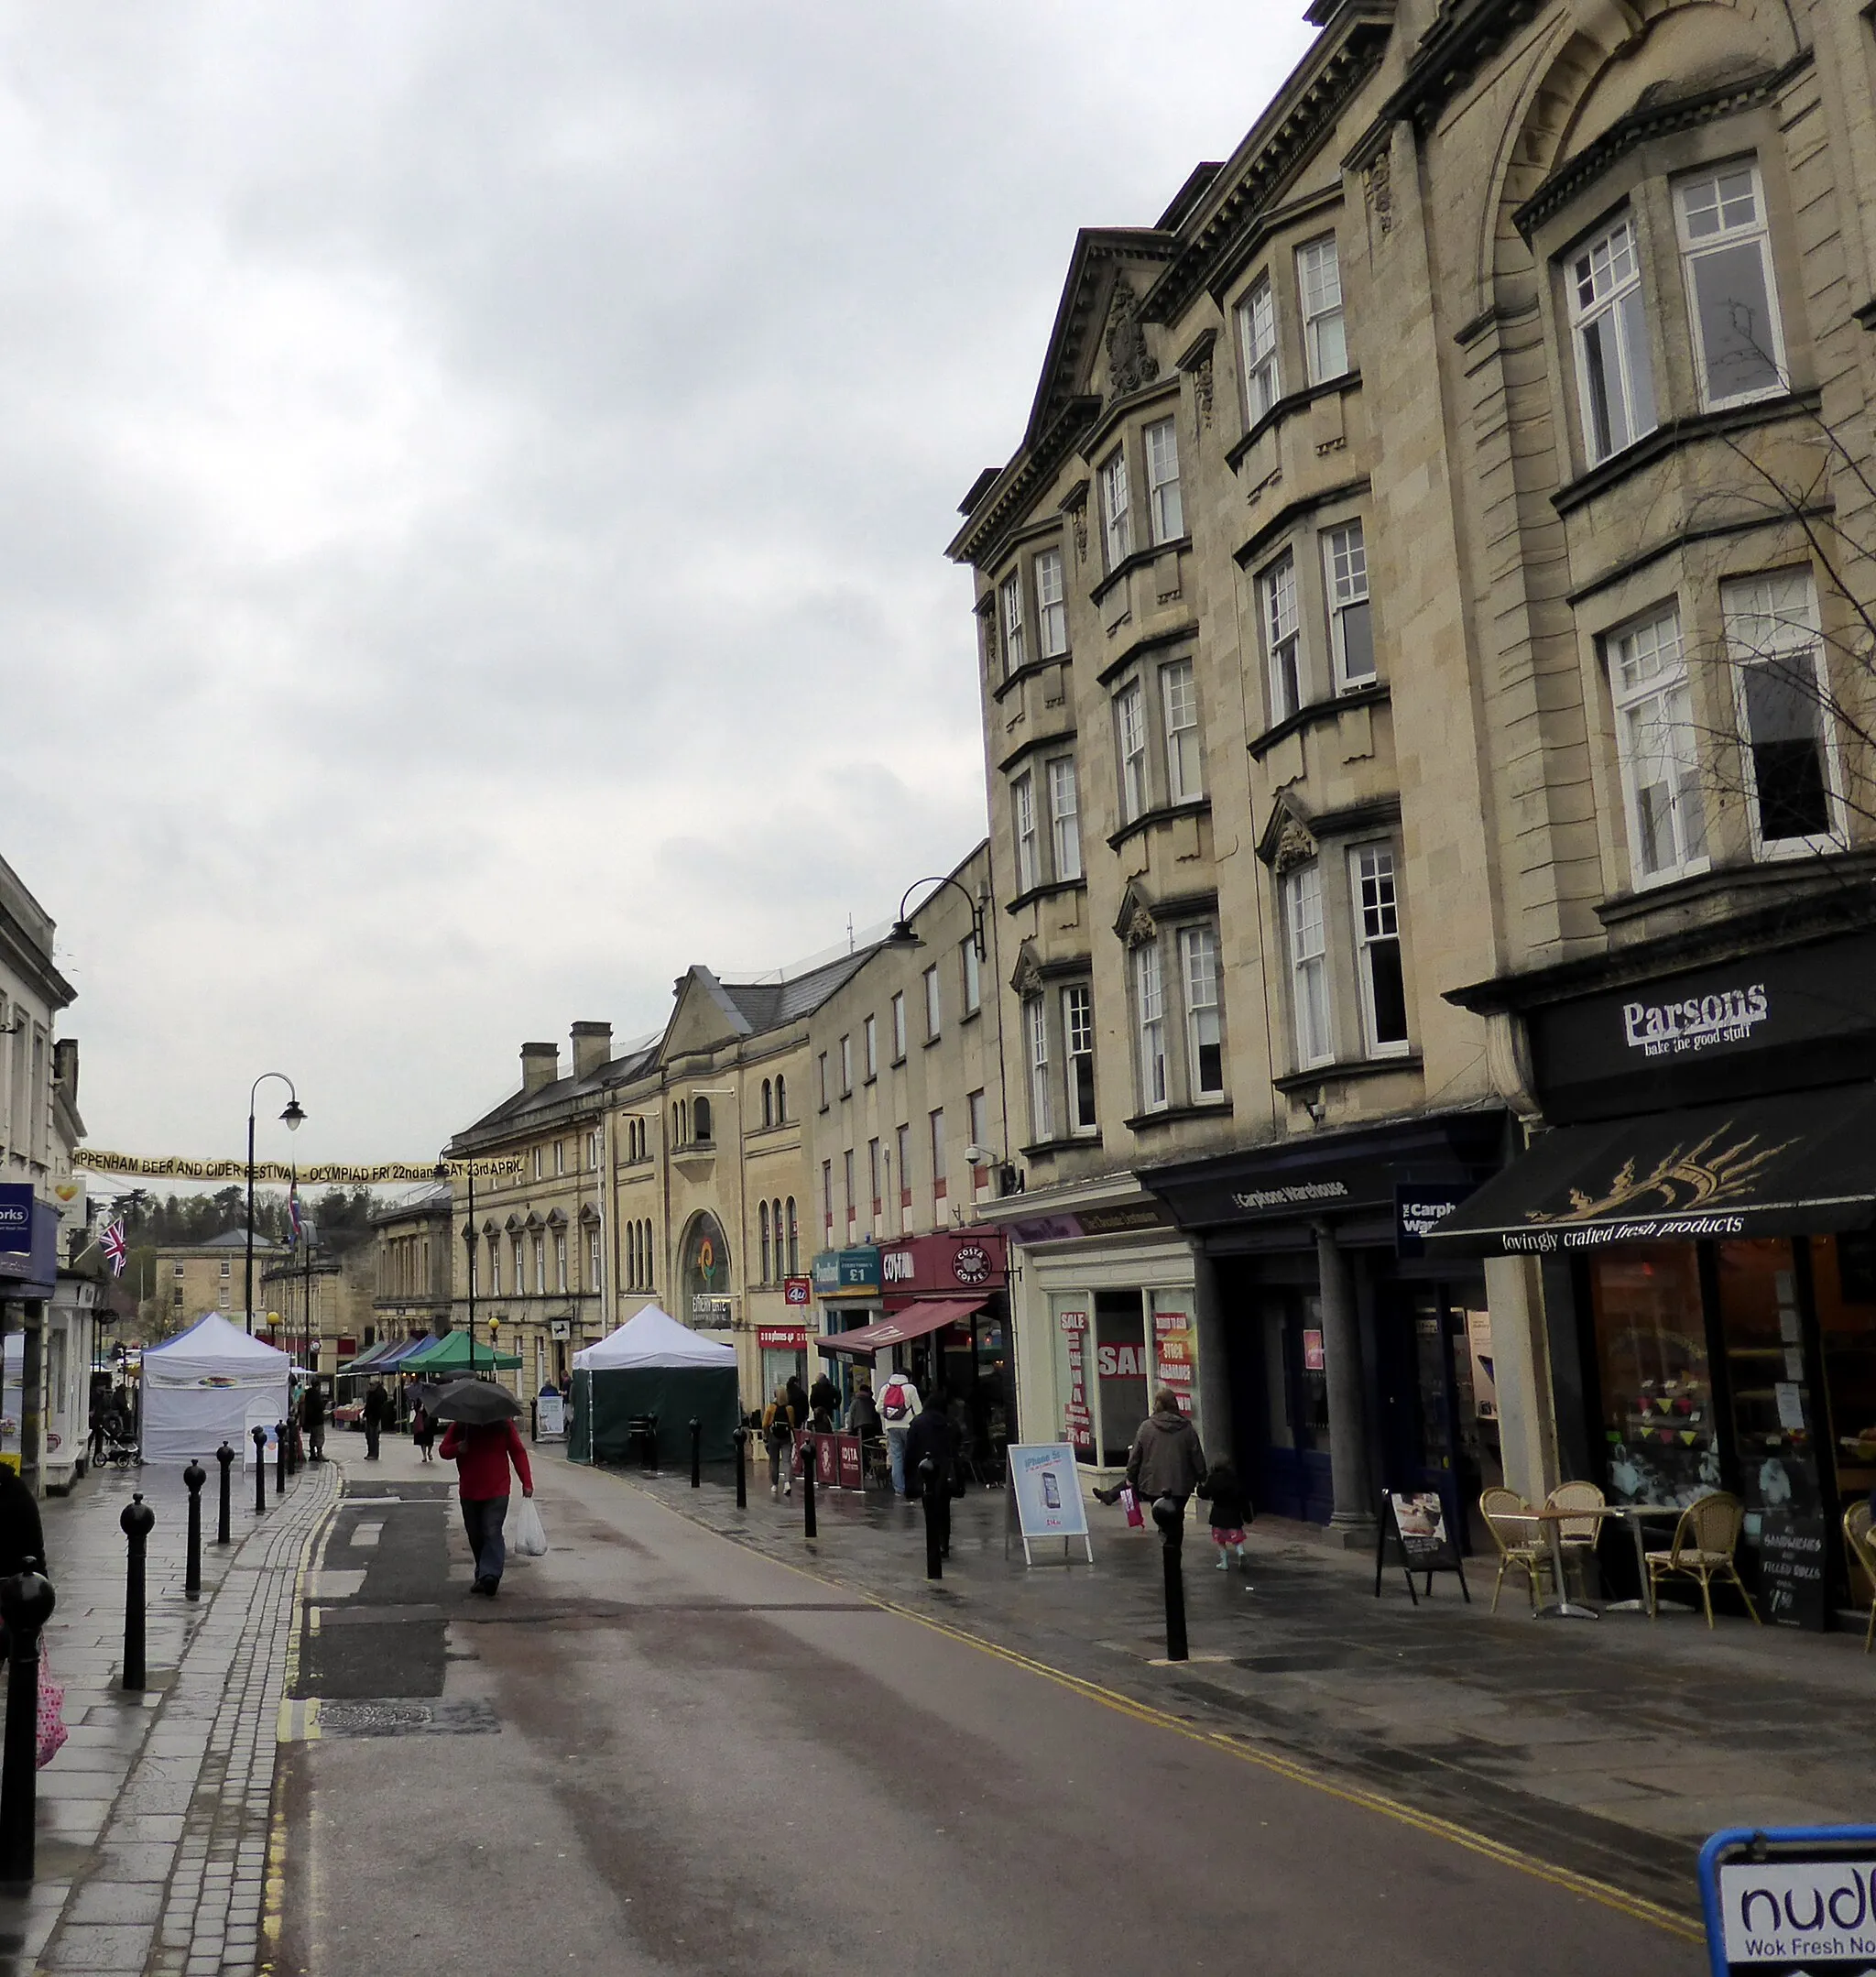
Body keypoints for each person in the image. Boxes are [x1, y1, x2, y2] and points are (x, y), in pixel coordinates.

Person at [438, 1413, 534, 1597]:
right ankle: (482, 1574)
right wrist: (458, 1448)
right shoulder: (461, 1426)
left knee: (491, 1530)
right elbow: (443, 1451)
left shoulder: (503, 1425)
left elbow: (517, 1451)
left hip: (497, 1490)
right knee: (475, 1535)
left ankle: (491, 1575)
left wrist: (526, 1481)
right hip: (469, 1491)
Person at [1120, 1388, 1207, 1527]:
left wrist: (1131, 1476)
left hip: (1153, 1482)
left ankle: (1166, 1539)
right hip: (1181, 1483)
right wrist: (1202, 1477)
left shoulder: (1146, 1427)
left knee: (1161, 1515)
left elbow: (1136, 1455)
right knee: (1177, 1515)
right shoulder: (1186, 1429)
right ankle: (1174, 1542)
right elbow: (1196, 1455)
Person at [904, 1392, 960, 1558]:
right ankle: (944, 1543)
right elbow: (957, 1445)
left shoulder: (918, 1422)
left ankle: (934, 1542)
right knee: (944, 1509)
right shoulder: (949, 1423)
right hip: (945, 1471)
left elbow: (910, 1451)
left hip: (924, 1470)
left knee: (929, 1507)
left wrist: (908, 1478)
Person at [1197, 1456, 1252, 1574]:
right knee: (1237, 1538)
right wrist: (1248, 1516)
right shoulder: (1235, 1479)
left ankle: (1224, 1563)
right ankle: (1241, 1553)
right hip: (1233, 1514)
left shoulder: (1213, 1479)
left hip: (1218, 1514)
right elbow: (1243, 1499)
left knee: (1221, 1540)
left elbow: (1204, 1494)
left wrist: (1199, 1488)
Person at [878, 1366, 921, 1496]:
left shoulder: (885, 1388)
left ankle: (899, 1489)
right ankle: (912, 1485)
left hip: (891, 1427)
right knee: (911, 1456)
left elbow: (879, 1408)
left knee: (896, 1457)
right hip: (908, 1427)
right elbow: (919, 1410)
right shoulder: (910, 1388)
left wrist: (891, 1414)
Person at [763, 1382, 800, 1498]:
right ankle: (787, 1483)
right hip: (786, 1436)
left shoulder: (771, 1408)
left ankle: (774, 1485)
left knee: (774, 1461)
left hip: (773, 1437)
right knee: (786, 1460)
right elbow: (792, 1424)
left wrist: (767, 1435)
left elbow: (764, 1424)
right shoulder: (790, 1409)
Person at [362, 1380, 392, 1461]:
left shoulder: (379, 1394)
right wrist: (365, 1414)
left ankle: (374, 1454)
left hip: (375, 1417)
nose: (370, 1387)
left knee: (373, 1436)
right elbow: (368, 1405)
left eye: (371, 1385)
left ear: (376, 1385)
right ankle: (370, 1452)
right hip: (370, 1417)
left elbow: (377, 1405)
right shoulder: (371, 1393)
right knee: (369, 1436)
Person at [845, 1376, 880, 1440]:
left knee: (861, 1445)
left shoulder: (855, 1401)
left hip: (859, 1428)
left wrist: (850, 1430)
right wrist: (879, 1430)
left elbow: (851, 1416)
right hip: (871, 1427)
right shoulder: (872, 1402)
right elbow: (877, 1416)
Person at [412, 1400, 436, 1464]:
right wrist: (420, 1409)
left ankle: (429, 1452)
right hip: (421, 1421)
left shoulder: (431, 1398)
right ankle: (424, 1456)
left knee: (430, 1439)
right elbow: (416, 1408)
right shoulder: (418, 1399)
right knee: (422, 1440)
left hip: (430, 1420)